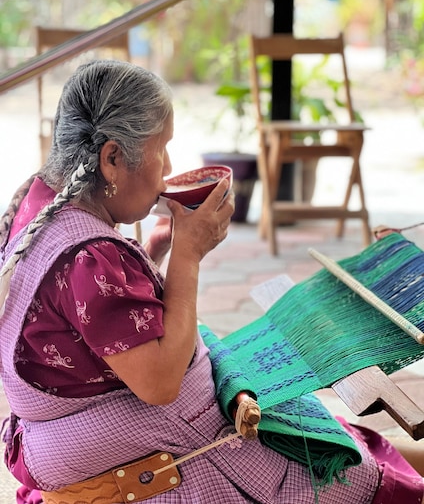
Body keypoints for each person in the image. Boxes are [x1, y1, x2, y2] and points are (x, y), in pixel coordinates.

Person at [0, 59, 423, 504]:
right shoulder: (91, 257)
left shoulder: (37, 205)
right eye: (161, 149)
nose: (168, 166)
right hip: (146, 439)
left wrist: (158, 250)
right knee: (349, 473)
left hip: (55, 427)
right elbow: (161, 383)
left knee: (335, 436)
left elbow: (89, 321)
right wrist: (188, 255)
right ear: (111, 158)